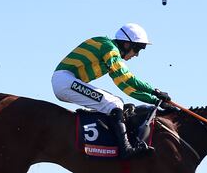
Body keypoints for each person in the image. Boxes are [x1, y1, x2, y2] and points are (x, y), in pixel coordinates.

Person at [52, 23, 170, 158]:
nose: (136, 55)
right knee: (113, 105)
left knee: (117, 102)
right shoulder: (109, 47)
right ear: (126, 44)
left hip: (66, 81)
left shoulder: (110, 56)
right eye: (137, 49)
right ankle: (126, 150)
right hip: (65, 81)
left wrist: (155, 101)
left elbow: (125, 86)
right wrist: (154, 91)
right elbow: (128, 77)